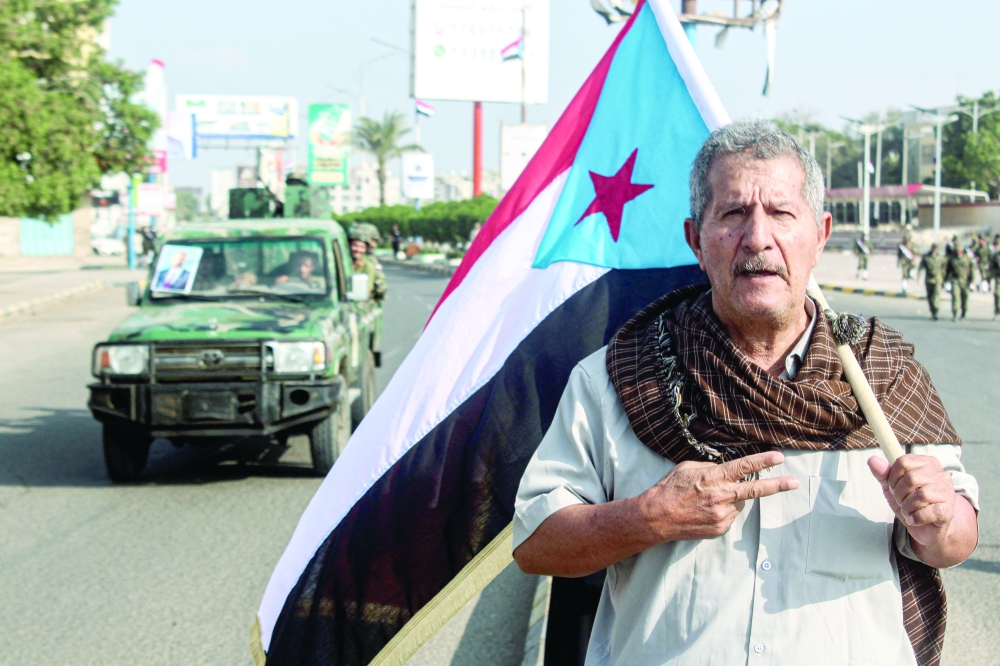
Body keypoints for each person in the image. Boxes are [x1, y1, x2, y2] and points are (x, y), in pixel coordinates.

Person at [513, 121, 978, 666]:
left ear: (821, 234)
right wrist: (647, 518)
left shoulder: (882, 375)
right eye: (732, 214)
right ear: (696, 240)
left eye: (782, 213)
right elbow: (536, 543)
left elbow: (955, 541)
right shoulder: (619, 378)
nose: (758, 237)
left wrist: (939, 519)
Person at [349, 229, 387, 302]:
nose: (358, 250)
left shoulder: (368, 265)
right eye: (355, 245)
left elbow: (368, 291)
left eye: (362, 247)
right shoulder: (343, 261)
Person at [944, 244, 973, 321]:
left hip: (965, 280)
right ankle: (955, 313)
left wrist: (972, 278)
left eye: (958, 249)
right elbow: (948, 270)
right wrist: (946, 279)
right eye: (956, 249)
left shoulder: (967, 258)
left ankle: (964, 312)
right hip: (955, 280)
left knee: (965, 297)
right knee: (955, 297)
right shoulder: (952, 258)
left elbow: (971, 268)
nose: (957, 251)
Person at [917, 243, 945, 321]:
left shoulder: (941, 258)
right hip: (929, 279)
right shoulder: (926, 257)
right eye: (934, 248)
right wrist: (919, 277)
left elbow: (944, 268)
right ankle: (932, 310)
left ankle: (936, 311)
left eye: (936, 248)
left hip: (938, 279)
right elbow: (921, 267)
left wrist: (945, 278)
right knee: (930, 296)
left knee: (936, 295)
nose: (935, 249)